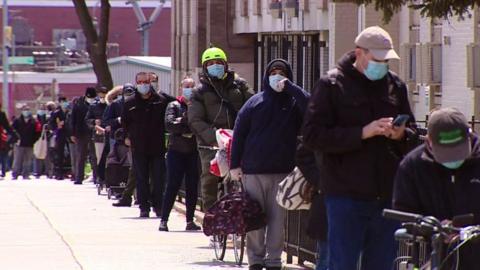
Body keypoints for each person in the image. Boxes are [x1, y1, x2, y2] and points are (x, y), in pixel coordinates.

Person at [302, 26, 418, 270]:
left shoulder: (395, 85)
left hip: (385, 196)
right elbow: (313, 136)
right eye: (378, 60)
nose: (383, 65)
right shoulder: (332, 85)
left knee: (382, 264)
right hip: (345, 195)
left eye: (386, 61)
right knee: (342, 263)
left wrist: (400, 135)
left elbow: (413, 134)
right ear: (359, 53)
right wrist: (362, 133)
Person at [230, 59, 309, 270]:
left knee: (277, 221)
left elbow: (311, 108)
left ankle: (274, 260)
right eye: (273, 72)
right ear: (266, 75)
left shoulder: (293, 103)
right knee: (254, 218)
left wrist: (292, 89)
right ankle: (255, 260)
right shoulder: (254, 102)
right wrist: (234, 164)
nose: (277, 75)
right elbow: (239, 134)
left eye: (281, 72)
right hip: (253, 171)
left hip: (283, 171)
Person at [393, 107, 480, 269]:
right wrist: (431, 227)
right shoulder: (412, 166)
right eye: (446, 153)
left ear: (469, 136)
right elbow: (404, 211)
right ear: (429, 142)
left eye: (459, 151)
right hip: (434, 255)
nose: (453, 160)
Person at [188, 46, 253, 212]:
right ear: (204, 67)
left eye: (218, 62)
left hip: (238, 140)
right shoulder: (199, 92)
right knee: (209, 177)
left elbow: (253, 107)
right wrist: (215, 138)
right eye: (210, 63)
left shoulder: (240, 85)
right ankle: (211, 216)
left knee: (246, 177)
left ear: (225, 64)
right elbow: (195, 120)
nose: (215, 66)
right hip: (211, 143)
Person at [122, 72, 170, 218]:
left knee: (158, 178)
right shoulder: (130, 102)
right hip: (139, 146)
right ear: (136, 83)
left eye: (146, 82)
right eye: (140, 82)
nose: (143, 85)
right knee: (141, 178)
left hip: (157, 146)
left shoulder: (161, 101)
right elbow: (125, 122)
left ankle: (158, 206)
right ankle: (144, 207)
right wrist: (126, 137)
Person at [159, 77, 201, 232]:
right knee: (172, 185)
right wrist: (186, 123)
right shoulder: (174, 105)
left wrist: (186, 126)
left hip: (193, 152)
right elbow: (170, 125)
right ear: (180, 87)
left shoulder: (198, 106)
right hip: (176, 151)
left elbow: (200, 126)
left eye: (192, 86)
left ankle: (190, 220)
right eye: (186, 86)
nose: (189, 88)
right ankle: (164, 220)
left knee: (192, 186)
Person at [106, 84, 137, 207]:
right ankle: (121, 189)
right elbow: (107, 121)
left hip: (135, 139)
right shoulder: (116, 105)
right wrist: (117, 121)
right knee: (122, 164)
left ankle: (132, 194)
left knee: (133, 167)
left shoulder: (137, 103)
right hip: (118, 138)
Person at [70, 87, 97, 185]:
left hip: (94, 133)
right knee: (81, 156)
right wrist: (72, 133)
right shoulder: (78, 104)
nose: (91, 99)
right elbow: (72, 120)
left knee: (95, 156)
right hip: (80, 133)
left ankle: (96, 178)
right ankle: (79, 178)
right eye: (90, 97)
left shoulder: (96, 103)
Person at [86, 87, 109, 185]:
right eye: (101, 93)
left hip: (110, 134)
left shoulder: (111, 104)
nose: (102, 96)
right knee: (98, 158)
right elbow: (87, 120)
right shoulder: (93, 106)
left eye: (104, 93)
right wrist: (94, 124)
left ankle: (109, 178)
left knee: (109, 157)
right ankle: (99, 178)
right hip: (98, 135)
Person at [12, 105, 41, 180]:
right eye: (24, 110)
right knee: (17, 160)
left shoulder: (33, 121)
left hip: (29, 144)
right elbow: (13, 130)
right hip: (19, 143)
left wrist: (34, 140)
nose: (26, 111)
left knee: (27, 160)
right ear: (22, 111)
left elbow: (38, 132)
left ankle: (26, 174)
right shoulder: (17, 120)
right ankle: (15, 174)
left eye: (27, 110)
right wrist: (16, 139)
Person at [49, 97, 70, 180]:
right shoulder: (56, 113)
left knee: (69, 154)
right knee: (59, 154)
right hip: (60, 135)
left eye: (65, 101)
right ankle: (59, 173)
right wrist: (57, 126)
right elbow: (51, 124)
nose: (64, 103)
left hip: (69, 135)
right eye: (62, 102)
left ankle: (69, 171)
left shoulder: (69, 112)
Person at [33, 104, 52, 178]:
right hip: (37, 139)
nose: (42, 110)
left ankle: (48, 171)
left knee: (47, 155)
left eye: (43, 108)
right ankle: (37, 172)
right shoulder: (35, 119)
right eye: (41, 108)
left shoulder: (48, 118)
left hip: (46, 138)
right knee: (37, 154)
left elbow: (51, 126)